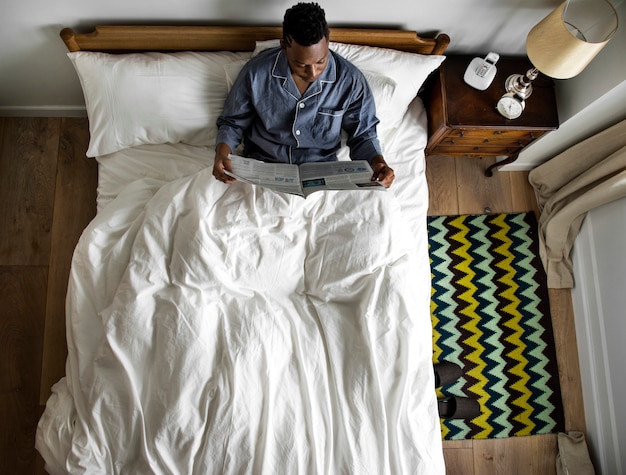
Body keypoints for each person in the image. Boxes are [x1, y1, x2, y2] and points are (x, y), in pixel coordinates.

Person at [213, 2, 396, 188]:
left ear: (328, 41)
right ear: (284, 46)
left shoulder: (351, 80)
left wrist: (378, 163)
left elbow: (363, 133)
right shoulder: (256, 73)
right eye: (301, 65)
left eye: (320, 61)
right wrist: (222, 153)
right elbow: (233, 122)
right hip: (263, 165)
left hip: (322, 172)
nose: (313, 73)